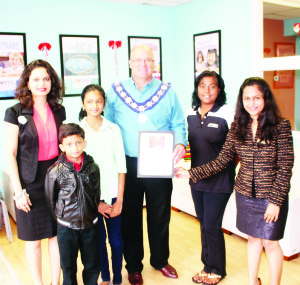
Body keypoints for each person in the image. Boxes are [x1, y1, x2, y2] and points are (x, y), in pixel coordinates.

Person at [175, 77, 294, 285]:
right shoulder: (239, 126)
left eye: (256, 97)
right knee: (253, 240)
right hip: (245, 195)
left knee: (271, 243)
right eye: (247, 98)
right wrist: (191, 173)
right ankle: (252, 282)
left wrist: (275, 202)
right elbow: (222, 160)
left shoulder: (280, 126)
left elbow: (285, 168)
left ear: (265, 98)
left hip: (272, 197)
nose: (252, 103)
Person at [105, 44, 187, 285]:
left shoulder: (167, 91)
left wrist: (181, 143)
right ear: (130, 62)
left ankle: (160, 260)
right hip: (126, 164)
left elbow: (179, 123)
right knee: (130, 215)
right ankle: (134, 266)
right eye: (138, 60)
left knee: (160, 214)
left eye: (148, 60)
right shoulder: (115, 92)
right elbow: (108, 127)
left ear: (154, 64)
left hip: (158, 162)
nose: (143, 64)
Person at [4, 59, 65, 285]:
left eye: (46, 79)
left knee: (57, 236)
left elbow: (64, 146)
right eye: (36, 79)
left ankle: (56, 281)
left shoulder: (59, 110)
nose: (42, 83)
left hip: (55, 180)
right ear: (27, 83)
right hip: (28, 183)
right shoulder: (14, 112)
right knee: (34, 240)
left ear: (52, 82)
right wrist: (18, 192)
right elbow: (9, 154)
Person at [187, 71, 235, 285]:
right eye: (202, 85)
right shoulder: (191, 113)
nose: (207, 90)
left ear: (219, 89)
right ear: (197, 89)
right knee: (204, 223)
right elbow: (187, 144)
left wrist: (226, 171)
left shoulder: (227, 113)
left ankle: (217, 269)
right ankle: (207, 266)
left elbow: (235, 151)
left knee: (212, 226)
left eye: (212, 86)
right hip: (196, 179)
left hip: (219, 181)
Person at [79, 84, 127, 285]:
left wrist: (120, 201)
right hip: (91, 199)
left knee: (116, 241)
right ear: (83, 104)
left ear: (104, 103)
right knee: (98, 241)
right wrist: (94, 202)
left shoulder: (113, 129)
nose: (94, 105)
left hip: (114, 194)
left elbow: (122, 166)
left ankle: (117, 278)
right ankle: (105, 277)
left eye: (98, 101)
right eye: (89, 101)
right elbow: (78, 170)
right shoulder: (78, 132)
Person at [45, 123, 101, 285]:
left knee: (92, 265)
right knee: (68, 267)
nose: (75, 148)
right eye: (69, 144)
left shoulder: (93, 168)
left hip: (90, 225)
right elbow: (51, 200)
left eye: (78, 142)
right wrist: (62, 218)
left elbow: (96, 195)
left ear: (84, 143)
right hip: (67, 228)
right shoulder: (54, 171)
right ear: (62, 147)